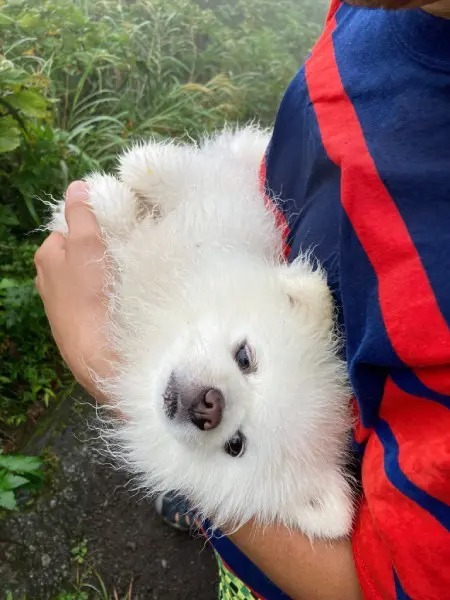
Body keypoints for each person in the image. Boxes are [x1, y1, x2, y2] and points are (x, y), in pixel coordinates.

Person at [35, 0, 450, 598]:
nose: (212, 408)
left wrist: (108, 362)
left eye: (234, 440)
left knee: (220, 516)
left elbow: (377, 584)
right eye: (247, 363)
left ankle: (204, 519)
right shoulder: (372, 15)